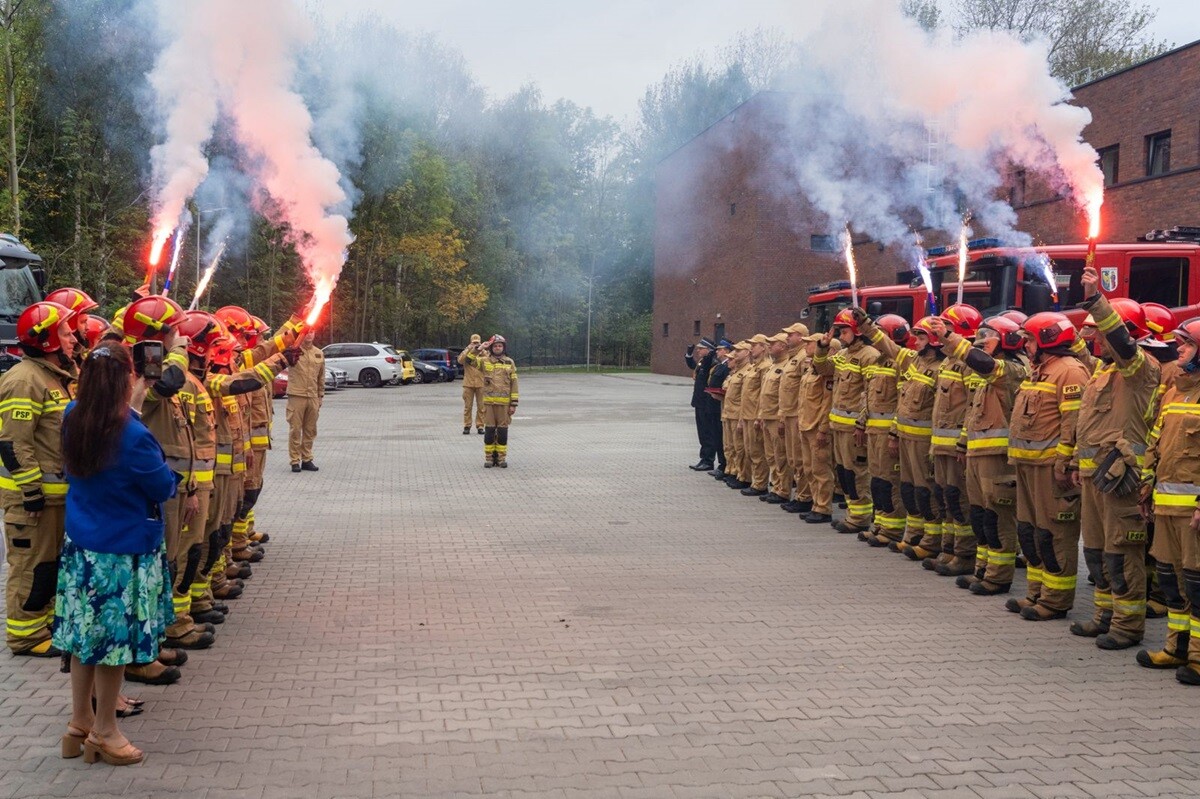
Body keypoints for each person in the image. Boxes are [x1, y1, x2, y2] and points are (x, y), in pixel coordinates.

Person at [53, 343, 177, 766]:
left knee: (84, 639)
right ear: (127, 378)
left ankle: (79, 722)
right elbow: (163, 486)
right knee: (113, 646)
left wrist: (134, 408)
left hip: (82, 547)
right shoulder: (133, 435)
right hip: (120, 555)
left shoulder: (74, 415)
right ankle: (106, 730)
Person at [1069, 272, 1160, 649]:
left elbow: (1123, 344)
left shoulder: (1140, 369)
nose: (1095, 339)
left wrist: (1096, 299)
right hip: (1096, 478)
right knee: (1096, 552)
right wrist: (1076, 464)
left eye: (1100, 334)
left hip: (1123, 481)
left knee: (1122, 553)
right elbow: (1088, 426)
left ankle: (1127, 625)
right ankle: (1104, 615)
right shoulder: (1101, 372)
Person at [1, 301, 78, 656]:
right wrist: (31, 490)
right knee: (31, 567)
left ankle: (44, 625)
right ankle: (25, 636)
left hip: (54, 497)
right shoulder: (24, 380)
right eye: (66, 333)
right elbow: (13, 443)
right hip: (31, 501)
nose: (73, 339)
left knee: (48, 567)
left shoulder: (53, 377)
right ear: (47, 339)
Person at [1006, 312, 1090, 622]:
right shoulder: (1039, 370)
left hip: (1050, 469)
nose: (1025, 345)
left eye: (1029, 339)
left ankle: (1055, 600)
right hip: (1028, 465)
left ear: (1048, 340)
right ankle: (1036, 592)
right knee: (1030, 532)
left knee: (1054, 534)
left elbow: (1074, 424)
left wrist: (1065, 463)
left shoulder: (1070, 371)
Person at [1138, 317, 1200, 682]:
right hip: (1165, 506)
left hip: (1193, 514)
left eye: (1187, 344)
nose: (1179, 349)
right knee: (1172, 581)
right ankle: (1176, 649)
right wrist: (1146, 486)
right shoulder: (1175, 391)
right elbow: (1155, 443)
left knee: (1197, 583)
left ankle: (1198, 657)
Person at [814, 309, 880, 534]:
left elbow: (870, 393)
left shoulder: (869, 355)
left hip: (854, 429)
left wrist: (862, 423)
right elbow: (822, 368)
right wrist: (822, 347)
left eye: (844, 331)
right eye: (840, 332)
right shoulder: (843, 355)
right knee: (844, 473)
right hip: (839, 427)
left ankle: (860, 518)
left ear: (858, 331)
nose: (841, 336)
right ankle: (853, 513)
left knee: (857, 473)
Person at [465, 334, 519, 467]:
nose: (498, 348)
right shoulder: (485, 361)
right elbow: (468, 360)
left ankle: (501, 458)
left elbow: (514, 384)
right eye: (495, 346)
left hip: (504, 405)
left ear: (504, 347)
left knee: (502, 432)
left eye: (500, 346)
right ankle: (489, 458)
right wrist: (479, 348)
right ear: (491, 348)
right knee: (489, 432)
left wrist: (513, 404)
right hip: (488, 404)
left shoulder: (509, 362)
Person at [287, 332, 325, 472]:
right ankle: (295, 460)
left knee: (310, 430)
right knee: (295, 429)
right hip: (297, 395)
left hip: (313, 396)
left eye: (312, 332)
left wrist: (320, 395)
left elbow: (321, 377)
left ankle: (307, 459)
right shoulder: (294, 350)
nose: (309, 334)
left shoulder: (319, 353)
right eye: (307, 332)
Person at [738, 334, 771, 497]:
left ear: (763, 347)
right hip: (747, 414)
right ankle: (754, 480)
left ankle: (760, 484)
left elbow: (763, 394)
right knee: (750, 450)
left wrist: (759, 416)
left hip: (755, 415)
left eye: (754, 345)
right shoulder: (753, 367)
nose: (751, 349)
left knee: (757, 451)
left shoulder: (766, 366)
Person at [685, 338, 717, 471]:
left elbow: (711, 357)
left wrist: (712, 351)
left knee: (707, 432)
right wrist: (689, 354)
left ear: (708, 350)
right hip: (699, 402)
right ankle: (704, 458)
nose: (698, 350)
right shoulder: (702, 361)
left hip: (706, 403)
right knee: (702, 433)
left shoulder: (711, 361)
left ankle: (708, 460)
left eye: (700, 348)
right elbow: (694, 366)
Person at [704, 339, 734, 478]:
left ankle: (724, 466)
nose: (717, 351)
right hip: (714, 404)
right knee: (717, 436)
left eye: (720, 349)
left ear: (727, 351)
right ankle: (723, 465)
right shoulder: (719, 366)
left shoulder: (727, 366)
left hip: (719, 406)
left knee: (722, 438)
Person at [459, 334, 486, 435]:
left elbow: (488, 361)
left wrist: (481, 350)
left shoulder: (483, 353)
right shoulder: (467, 352)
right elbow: (460, 360)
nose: (476, 344)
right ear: (470, 342)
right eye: (474, 343)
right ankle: (467, 425)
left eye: (477, 343)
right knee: (468, 406)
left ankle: (480, 425)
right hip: (468, 384)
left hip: (481, 383)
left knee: (481, 407)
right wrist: (468, 349)